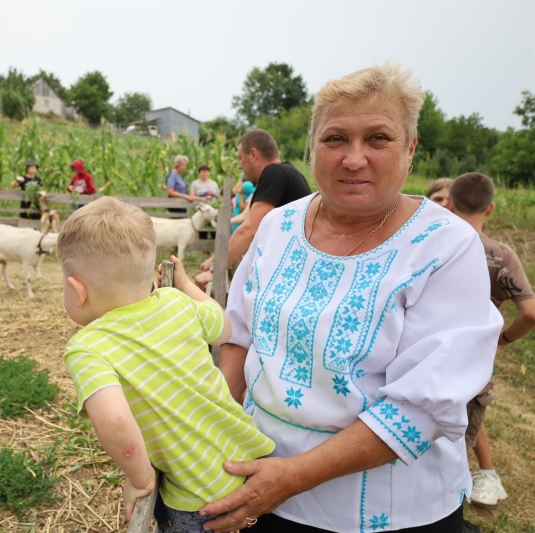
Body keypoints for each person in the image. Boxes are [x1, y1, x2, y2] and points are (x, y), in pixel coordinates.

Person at [199, 63, 503, 533]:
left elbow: (421, 406)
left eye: (378, 138)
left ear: (410, 149)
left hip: (387, 510)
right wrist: (218, 429)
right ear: (311, 147)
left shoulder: (446, 246)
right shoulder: (279, 226)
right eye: (335, 138)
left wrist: (293, 476)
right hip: (260, 478)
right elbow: (238, 331)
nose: (354, 158)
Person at [58, 197, 275, 532]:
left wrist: (140, 479)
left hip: (197, 499)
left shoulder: (88, 347)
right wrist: (187, 286)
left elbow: (115, 421)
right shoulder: (176, 302)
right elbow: (225, 327)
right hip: (251, 465)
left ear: (77, 290)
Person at [447, 172, 535, 509]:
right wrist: (504, 339)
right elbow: (529, 312)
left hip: (422, 364)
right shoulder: (501, 257)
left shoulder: (434, 244)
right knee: (456, 450)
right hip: (472, 374)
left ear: (450, 205)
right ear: (491, 208)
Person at [195, 131, 311, 291]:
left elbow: (250, 228)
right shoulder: (288, 172)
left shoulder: (274, 173)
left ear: (254, 154)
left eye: (240, 157)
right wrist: (215, 260)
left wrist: (216, 268)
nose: (239, 165)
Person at [190, 164, 220, 244]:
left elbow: (218, 196)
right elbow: (192, 196)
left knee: (213, 227)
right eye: (203, 172)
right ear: (199, 173)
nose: (204, 173)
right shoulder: (195, 183)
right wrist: (202, 199)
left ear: (209, 173)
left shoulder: (214, 183)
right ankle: (203, 249)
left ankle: (213, 246)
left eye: (206, 172)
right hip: (201, 209)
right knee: (202, 228)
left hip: (211, 208)